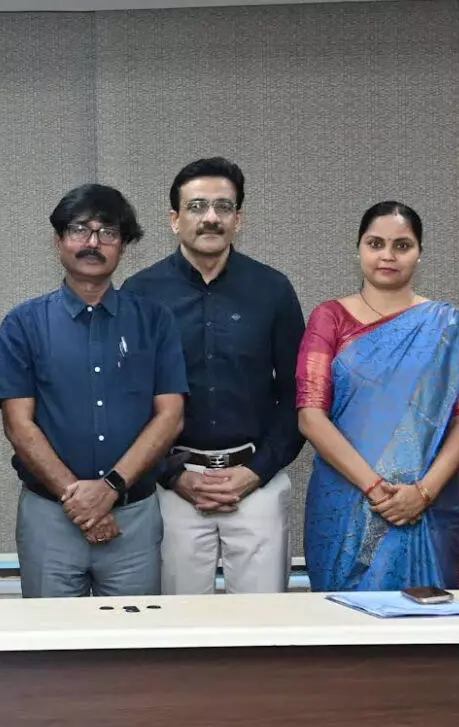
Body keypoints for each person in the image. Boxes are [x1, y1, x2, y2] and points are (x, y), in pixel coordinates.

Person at [121, 158, 305, 595]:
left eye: (223, 207)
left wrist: (256, 471)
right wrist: (170, 474)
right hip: (174, 488)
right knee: (178, 625)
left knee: (263, 625)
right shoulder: (140, 294)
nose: (210, 217)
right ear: (174, 219)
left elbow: (297, 395)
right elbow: (127, 398)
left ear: (239, 219)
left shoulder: (273, 289)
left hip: (256, 483)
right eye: (197, 206)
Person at [296, 201, 459, 592]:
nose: (388, 255)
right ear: (358, 249)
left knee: (424, 620)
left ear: (419, 253)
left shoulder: (446, 329)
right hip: (344, 502)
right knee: (343, 619)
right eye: (376, 243)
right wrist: (376, 489)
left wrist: (422, 494)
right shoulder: (330, 318)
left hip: (424, 505)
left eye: (402, 245)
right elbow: (310, 416)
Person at [0, 184, 186, 598]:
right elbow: (18, 425)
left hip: (133, 519)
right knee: (51, 638)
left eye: (108, 232)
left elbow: (170, 416)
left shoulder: (155, 321)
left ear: (124, 245)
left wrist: (110, 488)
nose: (93, 243)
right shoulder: (23, 324)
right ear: (58, 240)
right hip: (50, 519)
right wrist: (79, 500)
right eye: (80, 229)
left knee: (134, 637)